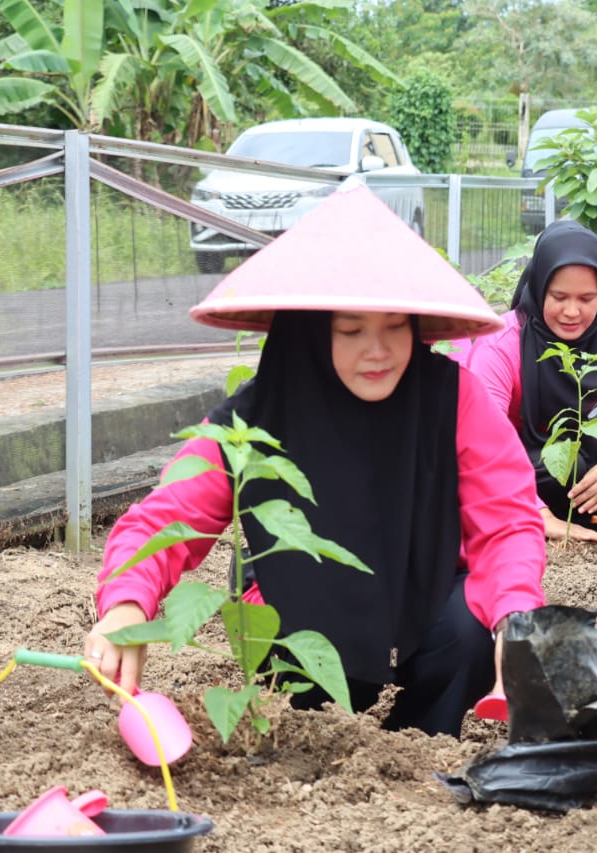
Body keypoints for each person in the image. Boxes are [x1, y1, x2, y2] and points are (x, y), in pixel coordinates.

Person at [85, 186, 547, 738]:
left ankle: (420, 738)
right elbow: (167, 520)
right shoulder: (255, 418)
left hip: (424, 592)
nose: (378, 350)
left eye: (396, 326)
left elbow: (508, 520)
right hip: (301, 599)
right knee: (300, 666)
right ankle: (322, 736)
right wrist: (127, 604)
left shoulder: (453, 399)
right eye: (350, 330)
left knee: (470, 633)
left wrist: (516, 615)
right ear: (305, 332)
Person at [468, 219, 597, 543]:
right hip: (511, 468)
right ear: (538, 288)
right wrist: (537, 513)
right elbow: (484, 441)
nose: (572, 311)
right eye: (559, 296)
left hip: (581, 469)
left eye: (586, 298)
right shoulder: (503, 342)